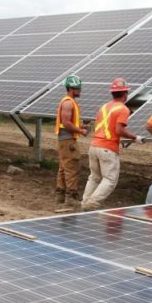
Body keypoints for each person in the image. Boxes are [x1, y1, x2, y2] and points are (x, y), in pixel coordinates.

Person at [81, 78, 138, 210]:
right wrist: (134, 137)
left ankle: (85, 202)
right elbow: (119, 129)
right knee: (110, 180)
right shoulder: (123, 109)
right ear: (125, 94)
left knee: (94, 177)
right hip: (108, 149)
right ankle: (91, 203)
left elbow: (104, 127)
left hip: (94, 146)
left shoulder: (104, 107)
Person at [54, 74, 89, 207]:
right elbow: (66, 122)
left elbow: (69, 122)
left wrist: (80, 126)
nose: (80, 90)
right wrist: (81, 131)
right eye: (78, 88)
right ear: (71, 89)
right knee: (71, 168)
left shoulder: (69, 102)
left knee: (63, 168)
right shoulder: (68, 103)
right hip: (68, 141)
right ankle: (71, 197)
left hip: (65, 139)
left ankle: (60, 196)